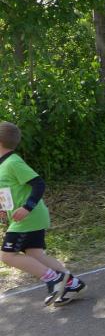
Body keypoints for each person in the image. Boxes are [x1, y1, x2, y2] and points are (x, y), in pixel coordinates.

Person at [0, 122, 85, 306]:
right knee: (36, 255)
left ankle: (53, 280)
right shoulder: (4, 164)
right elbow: (9, 190)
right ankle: (72, 284)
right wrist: (3, 208)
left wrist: (27, 207)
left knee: (7, 256)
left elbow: (39, 184)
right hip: (30, 217)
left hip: (29, 217)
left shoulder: (13, 162)